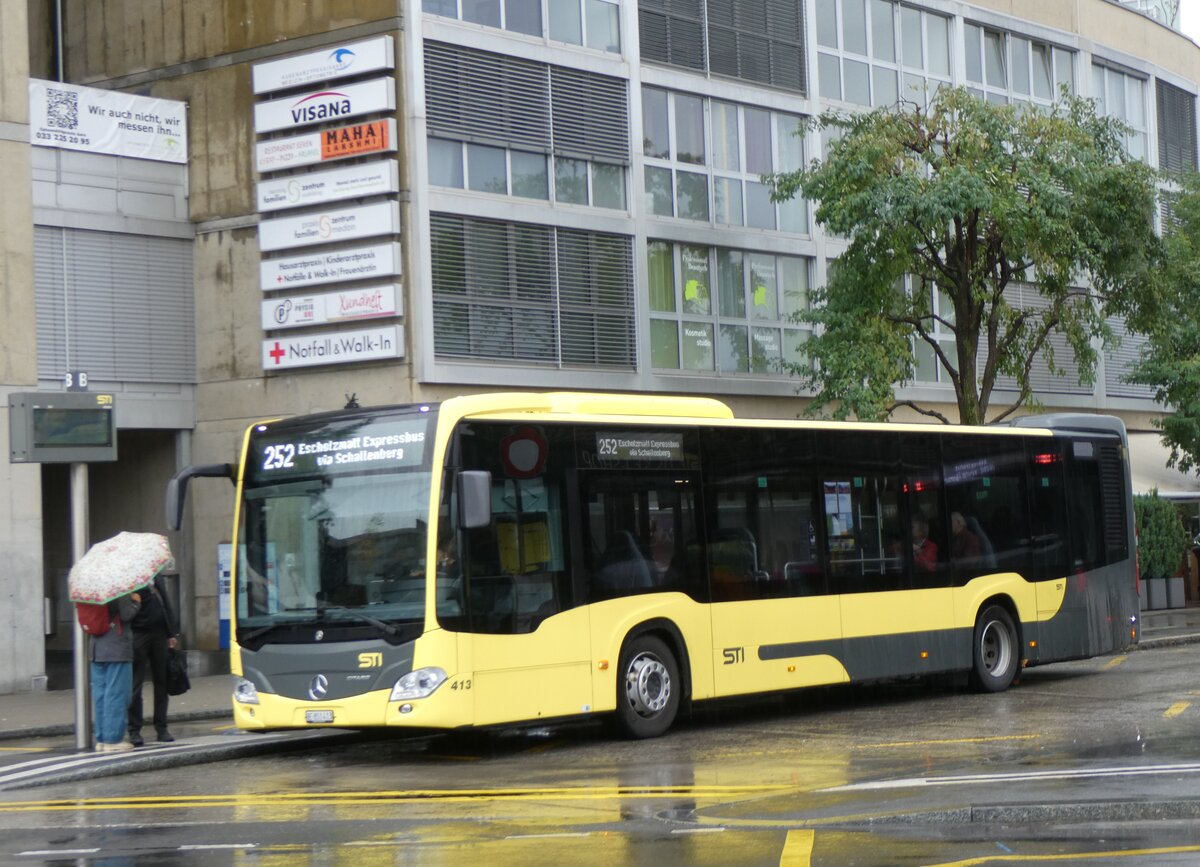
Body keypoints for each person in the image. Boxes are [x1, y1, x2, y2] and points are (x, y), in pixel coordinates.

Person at [127, 575, 181, 746]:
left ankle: (162, 727)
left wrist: (171, 632)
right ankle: (134, 730)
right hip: (138, 633)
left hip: (159, 634)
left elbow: (165, 602)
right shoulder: (130, 578)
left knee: (162, 682)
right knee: (136, 684)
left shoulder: (156, 576)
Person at [90, 590, 141, 752]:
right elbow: (126, 614)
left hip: (96, 648)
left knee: (101, 695)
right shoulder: (118, 587)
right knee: (117, 693)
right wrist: (136, 602)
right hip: (116, 648)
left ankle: (102, 738)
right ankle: (113, 739)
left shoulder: (91, 588)